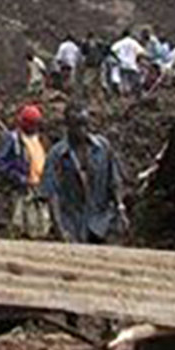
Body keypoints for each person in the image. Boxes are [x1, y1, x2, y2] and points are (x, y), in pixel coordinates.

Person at [42, 102, 128, 244]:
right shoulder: (57, 155)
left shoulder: (102, 148)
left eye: (85, 124)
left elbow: (114, 180)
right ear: (68, 126)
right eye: (77, 125)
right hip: (72, 222)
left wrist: (120, 208)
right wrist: (60, 229)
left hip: (100, 221)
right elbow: (52, 193)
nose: (83, 130)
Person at [0, 104, 51, 239]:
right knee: (21, 225)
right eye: (32, 124)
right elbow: (0, 164)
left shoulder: (40, 139)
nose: (34, 128)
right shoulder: (14, 140)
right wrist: (19, 178)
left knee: (42, 225)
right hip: (23, 190)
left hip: (39, 188)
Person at [111, 29, 147, 96]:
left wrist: (118, 57)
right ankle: (136, 94)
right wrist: (137, 57)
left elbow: (112, 49)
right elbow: (142, 51)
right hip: (132, 65)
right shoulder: (133, 42)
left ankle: (124, 95)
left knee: (124, 81)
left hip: (122, 65)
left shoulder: (120, 42)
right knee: (135, 81)